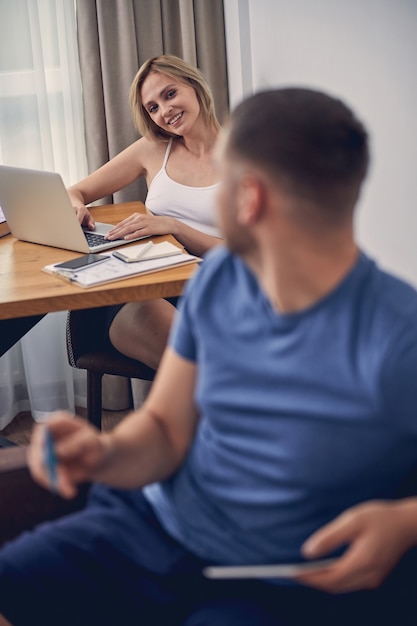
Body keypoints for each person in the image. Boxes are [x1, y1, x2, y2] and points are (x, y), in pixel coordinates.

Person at [1, 87, 417, 626]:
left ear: (249, 198)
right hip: (148, 529)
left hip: (269, 580)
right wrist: (104, 453)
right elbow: (165, 431)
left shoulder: (396, 334)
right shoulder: (221, 279)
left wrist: (404, 523)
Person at [67, 54, 222, 370]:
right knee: (200, 362)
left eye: (169, 94)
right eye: (153, 107)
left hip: (217, 291)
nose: (165, 111)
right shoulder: (153, 150)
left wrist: (174, 226)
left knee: (213, 368)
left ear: (194, 86)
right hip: (142, 290)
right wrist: (75, 206)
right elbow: (75, 191)